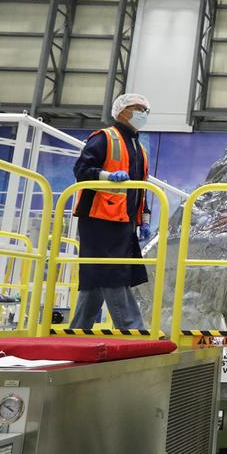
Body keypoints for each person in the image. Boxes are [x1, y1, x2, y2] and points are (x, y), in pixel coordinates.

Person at [70, 93, 153, 331]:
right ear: (122, 111)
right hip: (99, 219)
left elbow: (140, 190)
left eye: (146, 110)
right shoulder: (105, 138)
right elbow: (82, 170)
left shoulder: (139, 147)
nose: (143, 114)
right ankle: (132, 328)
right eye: (138, 109)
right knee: (113, 273)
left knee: (95, 278)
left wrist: (144, 220)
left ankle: (79, 329)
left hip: (124, 221)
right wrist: (108, 177)